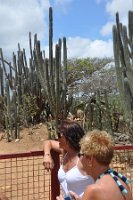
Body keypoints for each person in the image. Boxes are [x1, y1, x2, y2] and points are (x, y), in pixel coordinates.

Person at [68, 129, 132, 200]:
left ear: (90, 159)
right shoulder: (123, 185)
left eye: (80, 155)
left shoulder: (93, 190)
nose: (79, 159)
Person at [43, 121, 94, 199]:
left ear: (69, 138)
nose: (57, 138)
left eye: (60, 135)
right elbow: (48, 142)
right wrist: (47, 155)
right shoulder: (65, 152)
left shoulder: (85, 159)